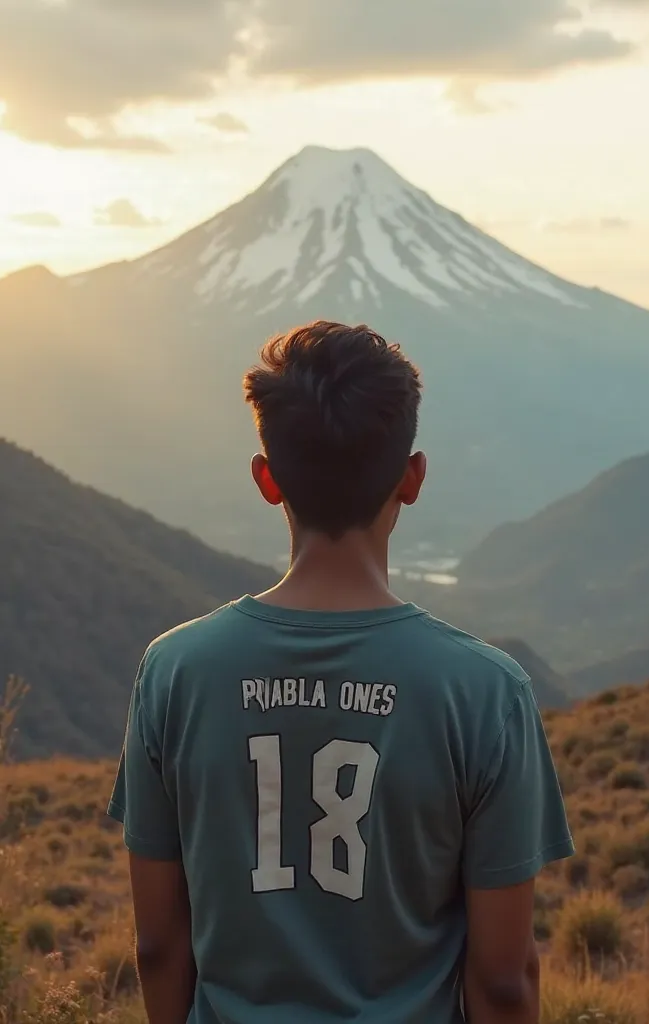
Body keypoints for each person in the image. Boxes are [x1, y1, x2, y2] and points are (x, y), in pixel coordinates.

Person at [107, 321, 574, 1024]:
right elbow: (504, 982)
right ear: (411, 478)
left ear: (267, 479)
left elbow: (158, 946)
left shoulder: (175, 671)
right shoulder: (485, 692)